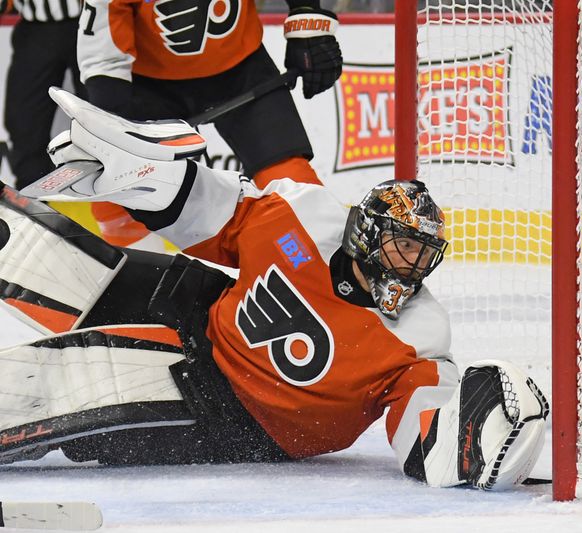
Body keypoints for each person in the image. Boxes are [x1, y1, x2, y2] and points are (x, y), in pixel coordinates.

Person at [0, 90, 548, 490]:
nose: (410, 267)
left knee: (53, 384)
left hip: (229, 415)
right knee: (49, 255)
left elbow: (427, 438)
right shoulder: (303, 214)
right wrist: (136, 177)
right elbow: (212, 213)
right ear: (365, 234)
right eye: (402, 248)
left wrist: (486, 438)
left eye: (423, 257)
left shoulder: (422, 337)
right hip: (202, 310)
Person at [74, 0, 342, 249]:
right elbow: (105, 27)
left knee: (292, 182)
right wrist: (112, 114)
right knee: (119, 189)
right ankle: (139, 283)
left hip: (241, 66)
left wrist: (306, 16)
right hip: (148, 82)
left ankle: (329, 275)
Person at [1, 0, 85, 190]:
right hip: (36, 26)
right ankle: (34, 196)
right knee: (24, 120)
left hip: (92, 21)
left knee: (102, 112)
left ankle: (111, 196)